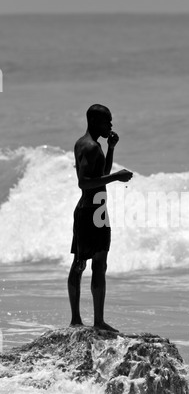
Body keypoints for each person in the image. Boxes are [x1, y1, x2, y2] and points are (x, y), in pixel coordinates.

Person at [68, 104, 133, 331]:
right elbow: (84, 182)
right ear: (95, 122)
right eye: (108, 121)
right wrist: (117, 177)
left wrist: (111, 148)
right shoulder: (89, 146)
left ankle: (97, 321)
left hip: (97, 210)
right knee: (80, 263)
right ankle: (77, 320)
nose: (111, 125)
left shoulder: (89, 144)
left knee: (99, 264)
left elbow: (100, 174)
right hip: (89, 210)